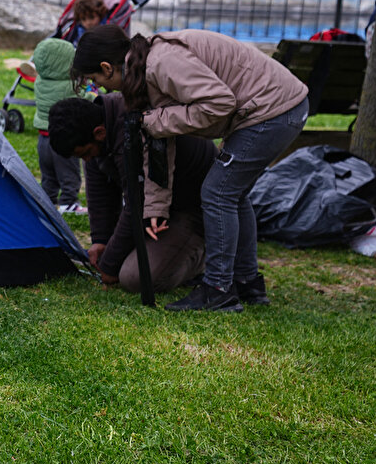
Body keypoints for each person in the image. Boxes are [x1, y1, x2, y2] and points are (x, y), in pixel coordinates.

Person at [72, 25, 309, 311]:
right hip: (270, 108)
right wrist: (156, 207)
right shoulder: (141, 70)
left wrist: (156, 120)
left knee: (218, 192)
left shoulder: (161, 63)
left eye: (94, 80)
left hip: (274, 110)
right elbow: (159, 144)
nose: (100, 89)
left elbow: (219, 103)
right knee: (233, 193)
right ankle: (247, 284)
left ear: (107, 68)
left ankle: (218, 290)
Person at [49, 94, 211, 294]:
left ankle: (204, 255)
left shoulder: (131, 131)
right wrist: (101, 241)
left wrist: (109, 264)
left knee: (135, 277)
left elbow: (138, 202)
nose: (87, 160)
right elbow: (100, 192)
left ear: (99, 133)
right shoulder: (96, 129)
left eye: (85, 153)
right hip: (156, 212)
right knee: (122, 260)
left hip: (192, 208)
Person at [30, 37, 86, 213]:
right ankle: (69, 202)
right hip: (63, 139)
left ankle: (47, 201)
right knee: (69, 173)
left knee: (48, 175)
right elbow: (85, 100)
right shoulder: (70, 86)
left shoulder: (40, 82)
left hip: (43, 139)